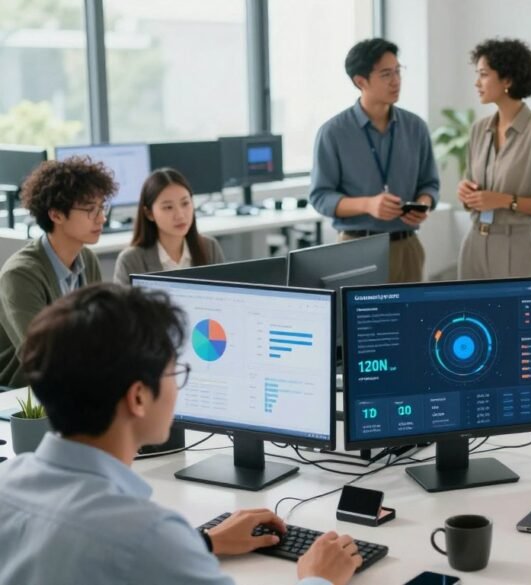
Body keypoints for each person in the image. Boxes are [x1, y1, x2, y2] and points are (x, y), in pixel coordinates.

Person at [0, 283, 361, 585]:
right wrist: (318, 578)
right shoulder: (147, 536)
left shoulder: (6, 485)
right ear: (138, 397)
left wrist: (201, 543)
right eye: (175, 372)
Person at [310, 38, 440, 283]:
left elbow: (430, 184)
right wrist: (368, 205)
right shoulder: (333, 132)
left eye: (398, 71)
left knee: (412, 321)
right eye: (386, 74)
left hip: (408, 246)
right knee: (358, 321)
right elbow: (320, 196)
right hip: (356, 247)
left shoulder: (416, 127)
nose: (396, 81)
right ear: (361, 81)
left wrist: (424, 203)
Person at [457, 38, 531, 279]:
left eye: (484, 74)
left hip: (517, 246)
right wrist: (467, 193)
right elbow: (471, 183)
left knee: (515, 317)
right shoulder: (479, 129)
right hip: (475, 242)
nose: (477, 83)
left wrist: (502, 200)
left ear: (507, 80)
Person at [0, 157, 108, 388]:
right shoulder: (20, 274)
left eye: (102, 207)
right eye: (90, 209)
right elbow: (41, 358)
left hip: (75, 388)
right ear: (56, 214)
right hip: (23, 400)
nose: (102, 218)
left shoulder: (87, 260)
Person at [113, 168, 225, 285]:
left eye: (185, 203)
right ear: (149, 213)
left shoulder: (209, 248)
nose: (180, 215)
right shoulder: (131, 260)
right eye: (168, 207)